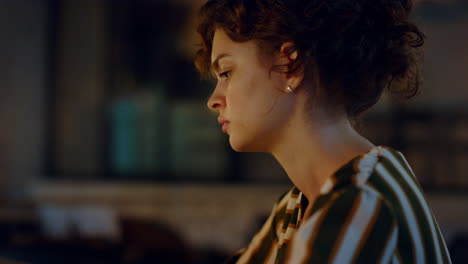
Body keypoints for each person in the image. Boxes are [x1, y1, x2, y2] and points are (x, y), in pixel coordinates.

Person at [194, 0, 452, 263]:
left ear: (290, 66)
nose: (214, 100)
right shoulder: (297, 207)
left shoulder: (361, 203)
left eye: (226, 72)